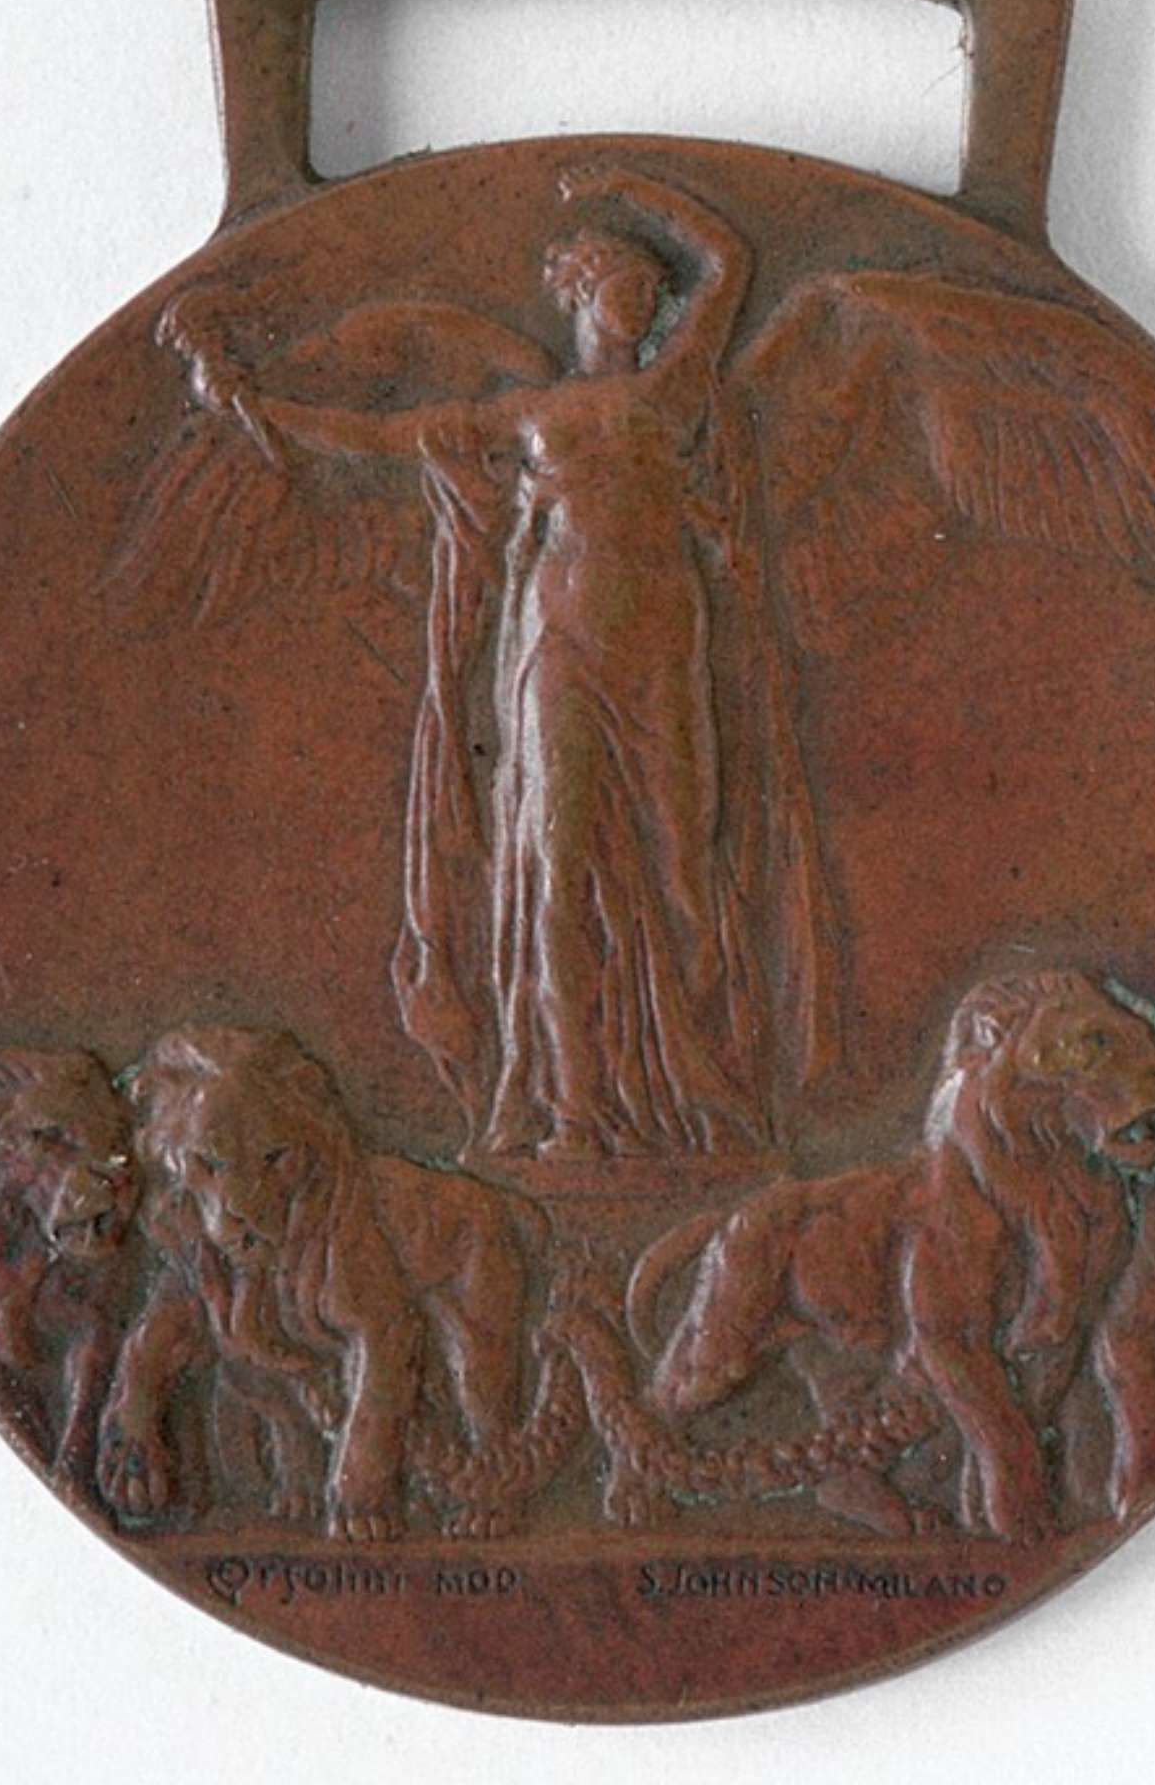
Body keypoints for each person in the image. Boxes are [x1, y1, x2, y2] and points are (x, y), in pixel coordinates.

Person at [179, 169, 833, 1159]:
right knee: (557, 866)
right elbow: (379, 438)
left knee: (683, 870)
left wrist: (631, 187)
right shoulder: (531, 416)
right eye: (618, 284)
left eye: (647, 290)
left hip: (662, 647)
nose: (637, 301)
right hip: (557, 646)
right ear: (580, 297)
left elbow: (730, 261)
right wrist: (253, 404)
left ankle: (699, 1092)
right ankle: (572, 1107)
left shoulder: (673, 390)